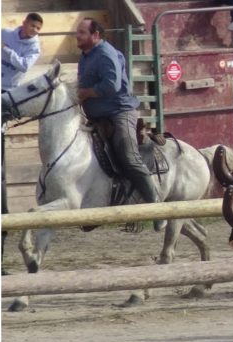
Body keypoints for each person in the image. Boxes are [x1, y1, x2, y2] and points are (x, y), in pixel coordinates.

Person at [75, 18, 166, 230]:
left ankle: (157, 207)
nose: (77, 36)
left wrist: (85, 93)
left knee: (128, 156)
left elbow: (112, 85)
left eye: (81, 32)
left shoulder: (106, 54)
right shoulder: (85, 57)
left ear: (95, 35)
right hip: (97, 116)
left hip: (119, 112)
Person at [2, 12, 43, 275]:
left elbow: (22, 67)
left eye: (38, 28)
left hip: (7, 93)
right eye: (33, 26)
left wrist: (5, 52)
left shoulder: (34, 46)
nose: (34, 31)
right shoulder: (6, 34)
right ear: (24, 23)